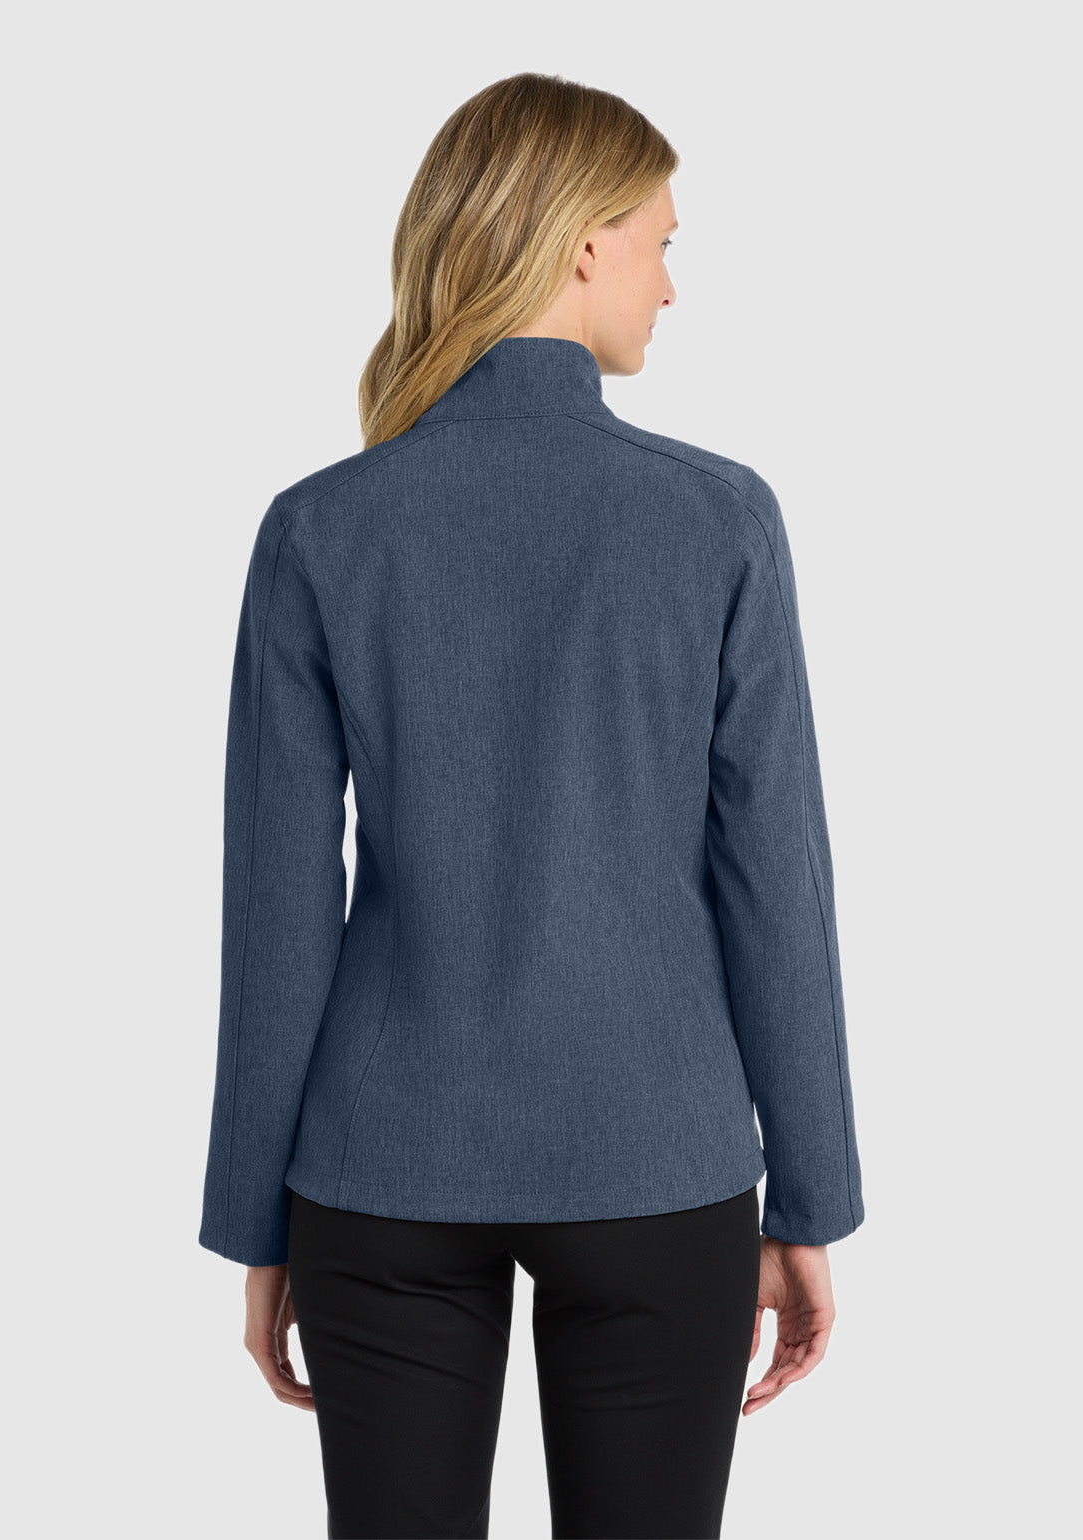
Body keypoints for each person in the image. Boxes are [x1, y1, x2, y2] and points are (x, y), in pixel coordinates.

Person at [198, 70, 865, 1540]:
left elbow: (277, 910)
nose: (672, 285)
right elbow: (776, 883)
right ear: (583, 243)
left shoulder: (320, 529)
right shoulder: (718, 518)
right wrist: (809, 1195)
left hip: (380, 1164)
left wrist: (256, 1214)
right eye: (663, 243)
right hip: (657, 1162)